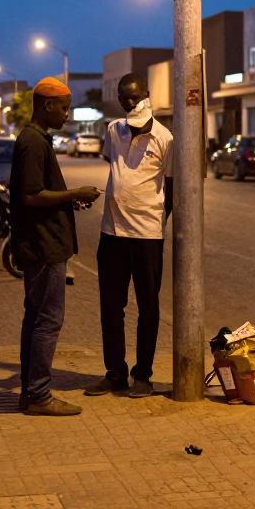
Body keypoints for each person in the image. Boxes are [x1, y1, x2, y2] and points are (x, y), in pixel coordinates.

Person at [11, 77, 102, 416]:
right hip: (44, 245)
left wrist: (67, 202)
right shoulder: (33, 141)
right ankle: (38, 395)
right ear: (47, 105)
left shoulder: (36, 139)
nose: (67, 114)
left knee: (36, 318)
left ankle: (31, 392)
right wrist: (74, 194)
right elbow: (32, 195)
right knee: (48, 320)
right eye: (64, 107)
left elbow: (41, 193)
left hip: (42, 242)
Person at [84, 73, 173, 399]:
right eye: (123, 97)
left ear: (145, 96)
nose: (128, 102)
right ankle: (115, 373)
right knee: (111, 307)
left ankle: (143, 375)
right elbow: (116, 168)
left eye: (133, 97)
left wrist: (159, 220)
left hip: (148, 236)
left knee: (148, 307)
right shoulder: (113, 130)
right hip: (112, 234)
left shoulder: (165, 138)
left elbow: (172, 186)